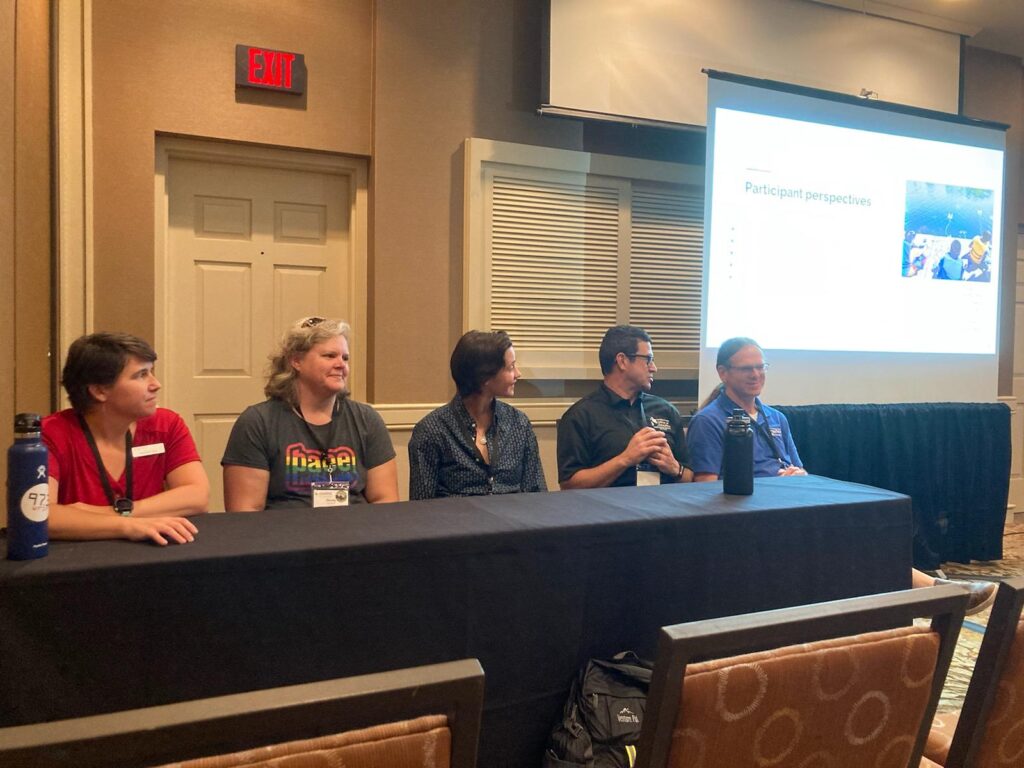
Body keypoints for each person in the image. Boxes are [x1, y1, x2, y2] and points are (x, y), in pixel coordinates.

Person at [688, 336, 996, 615]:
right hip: (750, 514)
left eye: (761, 367)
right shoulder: (710, 420)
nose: (756, 375)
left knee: (860, 523)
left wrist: (798, 478)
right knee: (845, 537)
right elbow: (705, 489)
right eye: (746, 369)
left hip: (791, 502)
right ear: (723, 372)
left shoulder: (775, 416)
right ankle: (933, 593)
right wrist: (771, 487)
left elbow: (800, 468)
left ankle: (930, 594)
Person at [42, 332, 207, 544]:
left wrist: (114, 512)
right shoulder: (50, 434)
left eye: (151, 372)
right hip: (76, 564)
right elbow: (41, 516)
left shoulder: (167, 425)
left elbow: (197, 496)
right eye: (141, 375)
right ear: (100, 390)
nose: (156, 384)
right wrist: (128, 525)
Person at [222, 317, 398, 509]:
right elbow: (245, 512)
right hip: (286, 536)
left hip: (356, 534)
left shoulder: (367, 419)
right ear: (296, 361)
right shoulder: (258, 422)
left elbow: (385, 503)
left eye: (345, 358)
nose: (341, 364)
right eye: (330, 356)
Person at [408, 330, 545, 499]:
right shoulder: (431, 431)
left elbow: (537, 495)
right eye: (510, 367)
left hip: (516, 522)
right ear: (485, 377)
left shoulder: (519, 424)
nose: (518, 374)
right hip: (455, 523)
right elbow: (422, 507)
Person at [557, 325, 691, 489]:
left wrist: (674, 468)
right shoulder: (580, 416)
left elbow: (690, 477)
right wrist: (626, 459)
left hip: (665, 509)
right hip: (608, 512)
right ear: (622, 361)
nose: (654, 368)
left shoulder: (666, 411)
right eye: (648, 359)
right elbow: (569, 485)